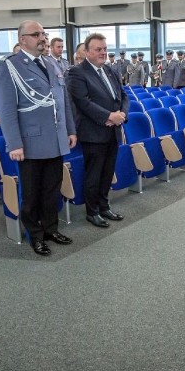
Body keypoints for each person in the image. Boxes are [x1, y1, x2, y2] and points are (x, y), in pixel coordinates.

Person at [0, 21, 76, 256]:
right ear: (23, 39)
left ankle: (51, 229)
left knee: (52, 189)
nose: (42, 38)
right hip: (30, 143)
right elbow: (6, 108)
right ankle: (35, 235)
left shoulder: (51, 62)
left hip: (55, 140)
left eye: (43, 33)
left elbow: (63, 102)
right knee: (31, 194)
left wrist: (70, 130)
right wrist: (14, 143)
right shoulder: (9, 66)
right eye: (36, 34)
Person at [66, 33, 128, 229]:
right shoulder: (77, 72)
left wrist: (121, 115)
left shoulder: (109, 70)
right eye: (98, 49)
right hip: (93, 132)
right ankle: (92, 212)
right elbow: (83, 102)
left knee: (108, 172)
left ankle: (104, 206)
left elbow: (123, 96)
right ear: (87, 52)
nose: (103, 52)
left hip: (113, 130)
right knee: (94, 174)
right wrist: (109, 116)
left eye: (104, 49)